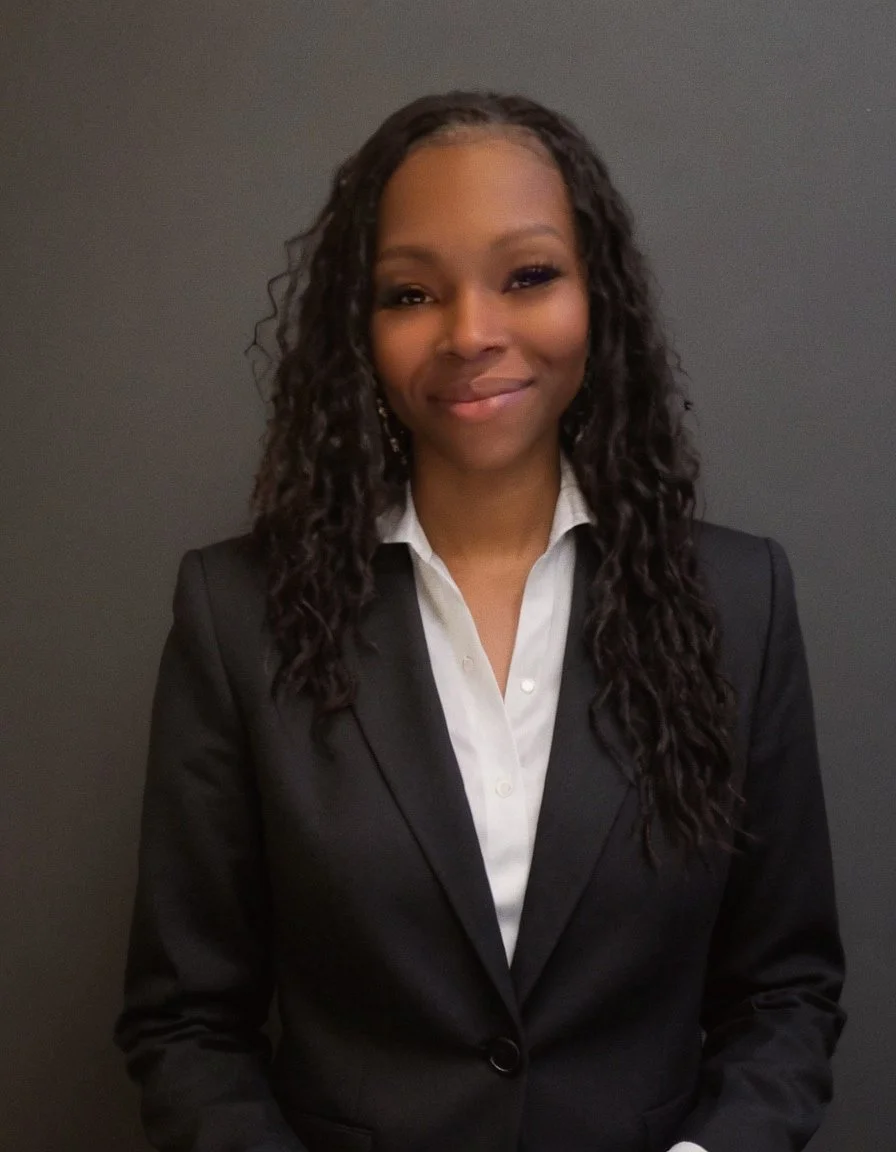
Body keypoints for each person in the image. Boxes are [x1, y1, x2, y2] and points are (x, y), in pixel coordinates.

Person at [115, 90, 846, 1152]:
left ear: (598, 300)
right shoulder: (237, 617)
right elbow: (184, 1023)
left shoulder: (737, 603)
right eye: (410, 292)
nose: (469, 332)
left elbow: (781, 992)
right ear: (357, 330)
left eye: (527, 276)